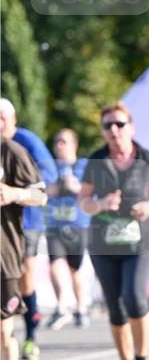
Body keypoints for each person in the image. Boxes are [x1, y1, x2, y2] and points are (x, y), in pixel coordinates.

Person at [78, 103, 149, 360]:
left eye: (120, 124)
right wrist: (99, 204)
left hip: (139, 242)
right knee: (115, 305)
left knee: (134, 297)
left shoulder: (147, 158)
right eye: (108, 126)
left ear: (131, 127)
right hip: (103, 242)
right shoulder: (96, 160)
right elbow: (83, 200)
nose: (114, 130)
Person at [0, 99, 57, 360]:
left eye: (3, 119)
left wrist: (15, 192)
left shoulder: (25, 142)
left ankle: (31, 336)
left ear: (14, 121)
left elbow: (48, 179)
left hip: (27, 223)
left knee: (25, 279)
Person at [1, 138, 47, 360]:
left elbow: (41, 196)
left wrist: (13, 192)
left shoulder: (12, 152)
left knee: (4, 331)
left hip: (4, 258)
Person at [46, 129, 90, 328]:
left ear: (74, 145)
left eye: (64, 141)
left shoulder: (83, 165)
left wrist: (76, 187)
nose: (59, 145)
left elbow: (89, 190)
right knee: (55, 263)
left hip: (77, 224)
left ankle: (81, 309)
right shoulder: (50, 168)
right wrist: (58, 186)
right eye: (57, 141)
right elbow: (45, 190)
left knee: (74, 270)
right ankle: (61, 307)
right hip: (55, 223)